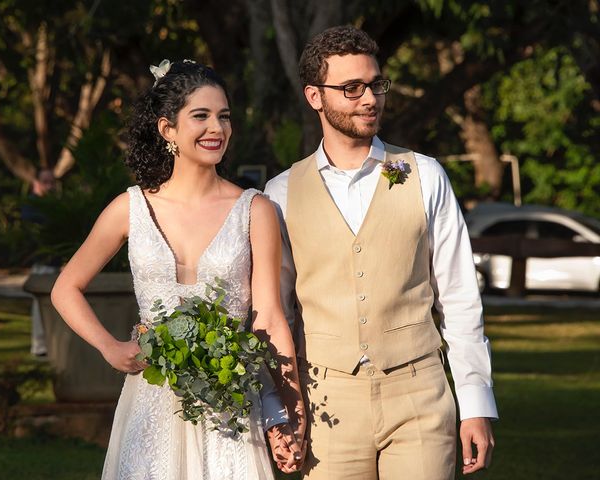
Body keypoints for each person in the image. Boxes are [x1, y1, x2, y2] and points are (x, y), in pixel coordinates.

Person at [51, 59, 304, 479]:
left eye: (224, 117)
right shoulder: (129, 208)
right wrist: (110, 348)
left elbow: (270, 319)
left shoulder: (256, 210)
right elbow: (65, 288)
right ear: (167, 129)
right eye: (201, 116)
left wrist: (289, 412)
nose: (217, 129)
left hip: (232, 409)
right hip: (150, 404)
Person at [264, 25, 498, 480]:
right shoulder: (280, 193)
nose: (370, 98)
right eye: (351, 88)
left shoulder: (424, 174)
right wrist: (281, 407)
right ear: (315, 96)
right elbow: (275, 313)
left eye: (375, 84)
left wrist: (475, 403)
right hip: (326, 402)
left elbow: (459, 297)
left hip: (420, 395)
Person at [21, 168, 58, 357]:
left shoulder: (55, 204)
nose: (49, 186)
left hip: (55, 264)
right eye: (45, 182)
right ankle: (39, 345)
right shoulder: (31, 206)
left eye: (52, 182)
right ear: (36, 183)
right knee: (39, 306)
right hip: (42, 263)